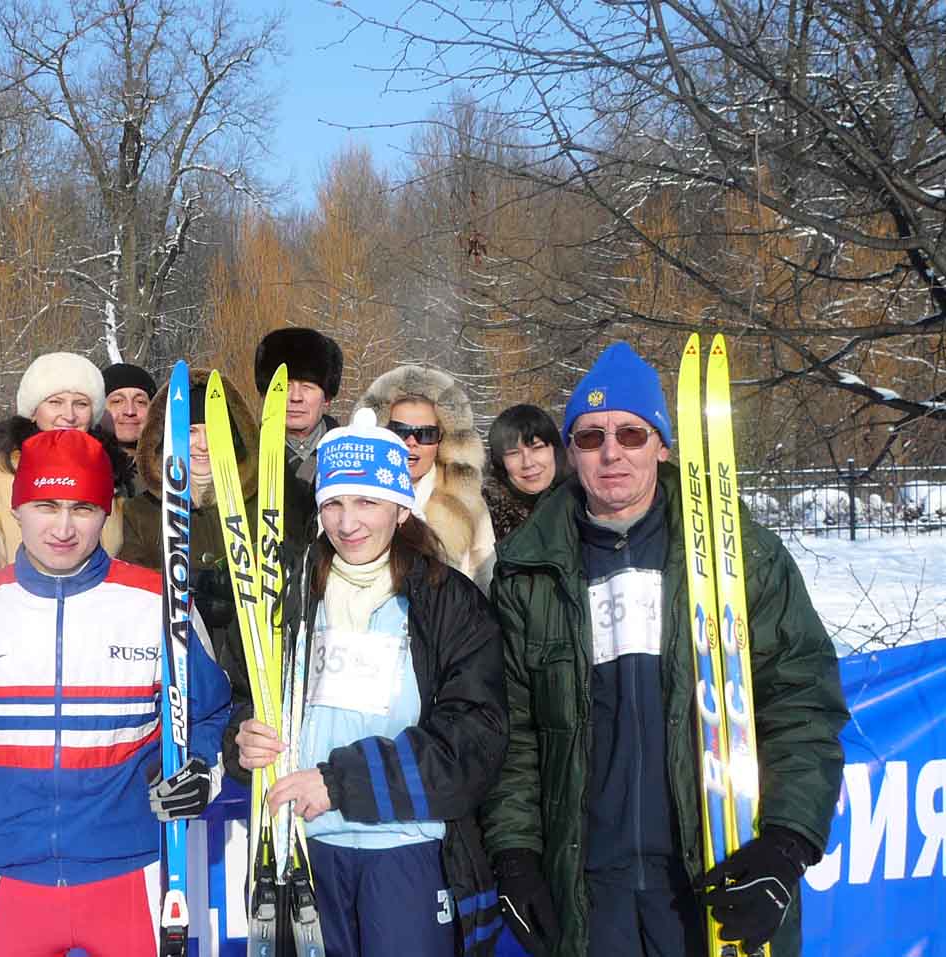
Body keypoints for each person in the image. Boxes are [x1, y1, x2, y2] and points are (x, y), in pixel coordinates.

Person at [480, 342, 848, 957]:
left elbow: (801, 705)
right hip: (590, 888)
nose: (611, 452)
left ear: (662, 445)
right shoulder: (528, 573)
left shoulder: (743, 559)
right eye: (590, 438)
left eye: (630, 432)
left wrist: (786, 845)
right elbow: (514, 733)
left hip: (712, 872)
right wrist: (515, 856)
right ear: (571, 453)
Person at [0, 428, 231, 957]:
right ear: (18, 507)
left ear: (106, 512)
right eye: (46, 505)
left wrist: (201, 768)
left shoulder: (160, 606)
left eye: (82, 507)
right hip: (9, 874)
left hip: (130, 867)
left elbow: (208, 715)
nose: (64, 527)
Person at [230, 410, 508, 957]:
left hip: (406, 849)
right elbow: (248, 695)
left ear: (401, 510)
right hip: (302, 848)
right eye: (334, 503)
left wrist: (340, 783)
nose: (348, 522)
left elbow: (473, 740)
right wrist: (243, 738)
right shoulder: (290, 594)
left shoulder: (444, 600)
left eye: (367, 502)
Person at [118, 369, 315, 728]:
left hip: (256, 679)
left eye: (215, 432)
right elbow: (132, 592)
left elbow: (304, 579)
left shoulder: (273, 502)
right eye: (190, 432)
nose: (204, 445)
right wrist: (187, 588)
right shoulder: (141, 512)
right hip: (183, 677)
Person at [0, 352, 133, 580]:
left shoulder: (110, 475)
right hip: (11, 605)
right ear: (33, 411)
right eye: (55, 402)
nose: (69, 415)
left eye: (81, 404)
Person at [357, 365, 495, 588]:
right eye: (400, 431)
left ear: (442, 440)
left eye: (426, 434)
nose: (411, 442)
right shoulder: (349, 492)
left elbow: (486, 575)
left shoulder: (468, 502)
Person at [254, 327, 343, 485]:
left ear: (327, 398)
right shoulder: (245, 458)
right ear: (265, 395)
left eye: (307, 386)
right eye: (284, 387)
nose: (295, 397)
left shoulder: (350, 456)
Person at [483, 404, 569, 541]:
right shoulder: (484, 521)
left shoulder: (586, 506)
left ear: (555, 449)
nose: (528, 463)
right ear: (500, 462)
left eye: (537, 448)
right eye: (513, 453)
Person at [101, 362, 157, 495]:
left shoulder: (170, 470)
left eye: (140, 402)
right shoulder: (78, 466)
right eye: (117, 401)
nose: (130, 411)